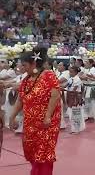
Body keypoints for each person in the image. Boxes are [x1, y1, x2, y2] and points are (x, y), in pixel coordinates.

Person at [9, 47, 61, 175]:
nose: (22, 68)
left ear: (34, 64)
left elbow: (55, 95)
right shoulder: (26, 80)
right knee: (30, 150)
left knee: (44, 153)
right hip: (30, 123)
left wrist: (48, 116)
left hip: (47, 124)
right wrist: (12, 116)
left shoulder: (48, 75)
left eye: (24, 65)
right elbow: (21, 100)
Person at [65, 66, 85, 133]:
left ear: (76, 72)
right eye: (69, 71)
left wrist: (65, 90)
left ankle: (78, 129)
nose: (70, 73)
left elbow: (74, 89)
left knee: (76, 113)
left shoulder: (77, 79)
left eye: (71, 72)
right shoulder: (70, 79)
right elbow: (65, 86)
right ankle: (73, 129)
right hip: (70, 97)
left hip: (76, 97)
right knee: (71, 113)